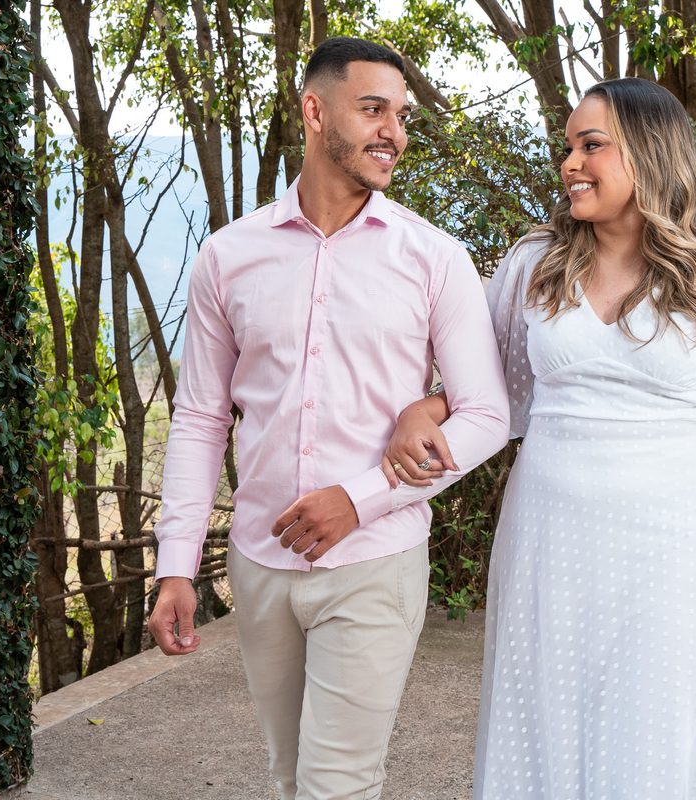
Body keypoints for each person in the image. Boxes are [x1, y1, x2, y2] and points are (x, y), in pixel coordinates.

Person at [384, 77, 696, 799]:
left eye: (592, 145)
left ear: (649, 156)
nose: (570, 163)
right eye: (567, 147)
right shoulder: (533, 265)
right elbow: (485, 395)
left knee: (668, 732)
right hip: (549, 546)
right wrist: (421, 411)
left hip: (682, 553)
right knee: (546, 723)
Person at [146, 37, 510, 800]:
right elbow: (202, 418)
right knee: (289, 778)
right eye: (373, 109)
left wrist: (361, 499)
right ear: (315, 111)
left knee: (336, 784)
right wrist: (176, 564)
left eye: (401, 116)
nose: (394, 133)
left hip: (375, 561)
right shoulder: (227, 256)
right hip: (260, 562)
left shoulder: (433, 258)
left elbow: (485, 415)